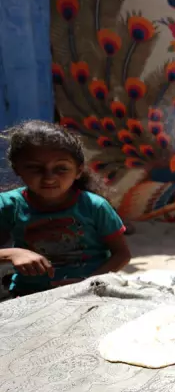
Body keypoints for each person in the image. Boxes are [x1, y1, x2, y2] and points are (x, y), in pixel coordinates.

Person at [0, 120, 131, 296]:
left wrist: (88, 285)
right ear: (17, 169)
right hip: (29, 296)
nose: (49, 178)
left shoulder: (94, 206)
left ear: (78, 171)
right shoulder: (8, 205)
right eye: (34, 168)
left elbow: (121, 254)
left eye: (61, 168)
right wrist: (12, 254)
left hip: (90, 294)